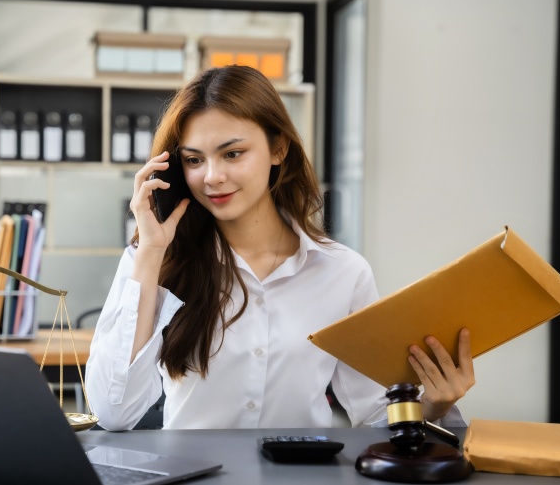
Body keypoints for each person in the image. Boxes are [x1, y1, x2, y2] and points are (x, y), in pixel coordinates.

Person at [85, 65, 475, 431]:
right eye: (194, 160)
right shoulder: (155, 261)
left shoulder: (343, 272)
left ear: (278, 149)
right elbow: (115, 412)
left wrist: (431, 407)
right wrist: (151, 249)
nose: (212, 177)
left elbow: (374, 411)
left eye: (232, 153)